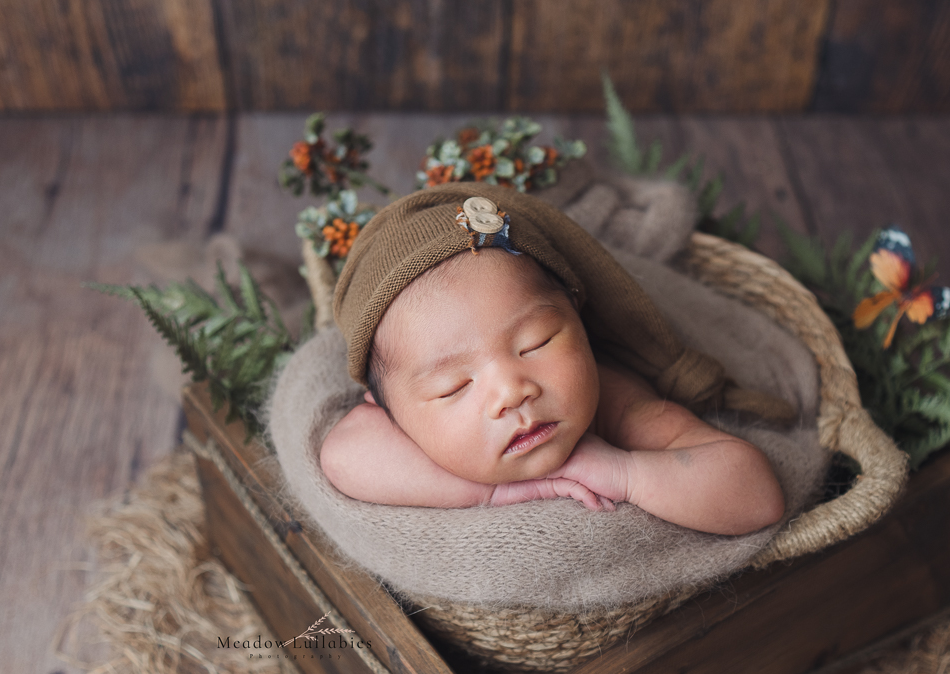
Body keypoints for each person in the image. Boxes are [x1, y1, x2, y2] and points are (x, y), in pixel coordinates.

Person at [318, 185, 792, 537]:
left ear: (580, 319)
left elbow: (756, 493)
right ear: (390, 413)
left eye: (536, 343)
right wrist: (494, 493)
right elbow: (341, 455)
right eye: (454, 387)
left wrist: (624, 472)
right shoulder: (397, 428)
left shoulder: (617, 403)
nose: (512, 390)